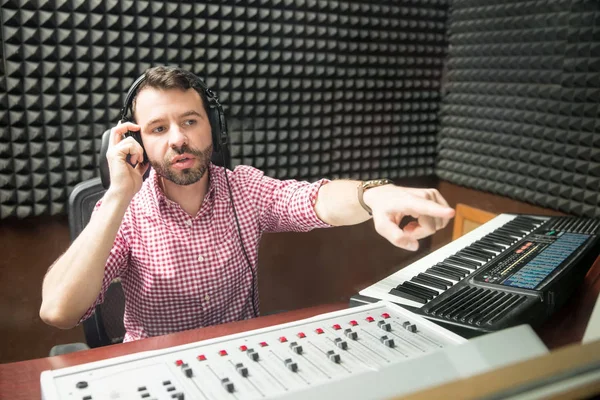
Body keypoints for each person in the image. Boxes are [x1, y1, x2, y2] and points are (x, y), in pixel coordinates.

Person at [40, 66, 455, 342]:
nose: (177, 139)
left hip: (239, 359)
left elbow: (316, 199)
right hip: (154, 366)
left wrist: (374, 195)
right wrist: (116, 194)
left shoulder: (246, 190)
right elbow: (59, 310)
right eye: (158, 128)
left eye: (189, 121)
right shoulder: (121, 212)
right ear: (138, 143)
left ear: (214, 129)